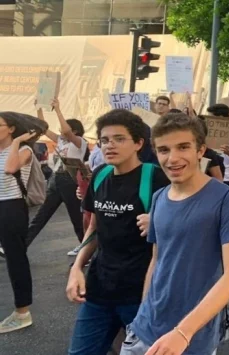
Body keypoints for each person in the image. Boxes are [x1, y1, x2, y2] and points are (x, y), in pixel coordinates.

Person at [123, 113, 229, 354]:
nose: (173, 158)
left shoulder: (226, 200)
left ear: (201, 151)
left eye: (183, 147)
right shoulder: (159, 197)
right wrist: (143, 310)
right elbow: (157, 260)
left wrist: (183, 332)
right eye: (164, 150)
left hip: (191, 336)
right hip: (144, 329)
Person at [65, 109, 170, 354]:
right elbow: (94, 227)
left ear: (138, 143)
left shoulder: (156, 178)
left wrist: (158, 220)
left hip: (141, 294)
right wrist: (77, 267)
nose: (109, 145)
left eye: (119, 139)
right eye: (104, 140)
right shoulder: (100, 175)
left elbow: (187, 224)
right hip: (99, 290)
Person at [28, 98, 87, 255]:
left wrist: (58, 109)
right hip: (56, 179)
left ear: (75, 131)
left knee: (76, 217)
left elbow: (66, 131)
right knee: (42, 215)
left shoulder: (79, 142)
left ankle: (86, 250)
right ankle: (20, 246)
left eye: (65, 129)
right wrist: (39, 108)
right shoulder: (61, 140)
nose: (61, 132)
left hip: (70, 181)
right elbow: (43, 127)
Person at [0, 112, 37, 333]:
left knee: (16, 259)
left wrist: (16, 142)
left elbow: (11, 168)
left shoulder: (24, 150)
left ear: (12, 129)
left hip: (11, 207)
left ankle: (22, 312)